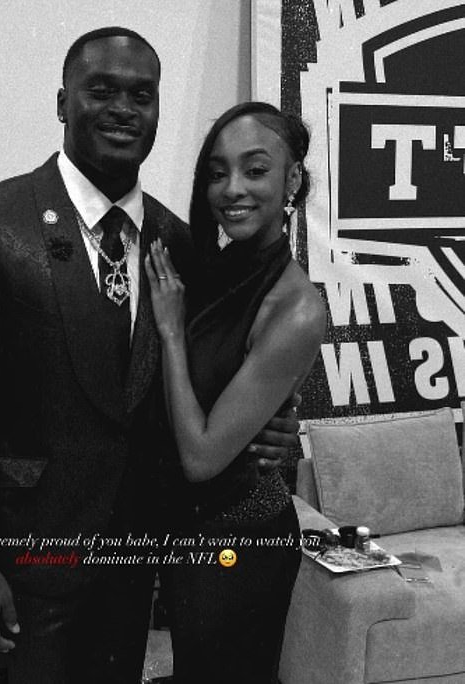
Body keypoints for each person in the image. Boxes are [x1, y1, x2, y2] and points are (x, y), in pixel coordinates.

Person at [0, 29, 299, 684]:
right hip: (30, 564)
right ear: (62, 103)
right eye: (101, 90)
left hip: (137, 558)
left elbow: (206, 379)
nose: (123, 108)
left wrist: (272, 426)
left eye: (141, 95)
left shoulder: (179, 243)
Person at [145, 101, 326, 683]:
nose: (232, 188)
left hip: (241, 546)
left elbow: (201, 457)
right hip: (191, 536)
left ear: (292, 179)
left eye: (255, 169)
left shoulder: (296, 307)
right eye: (217, 172)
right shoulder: (211, 267)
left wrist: (171, 332)